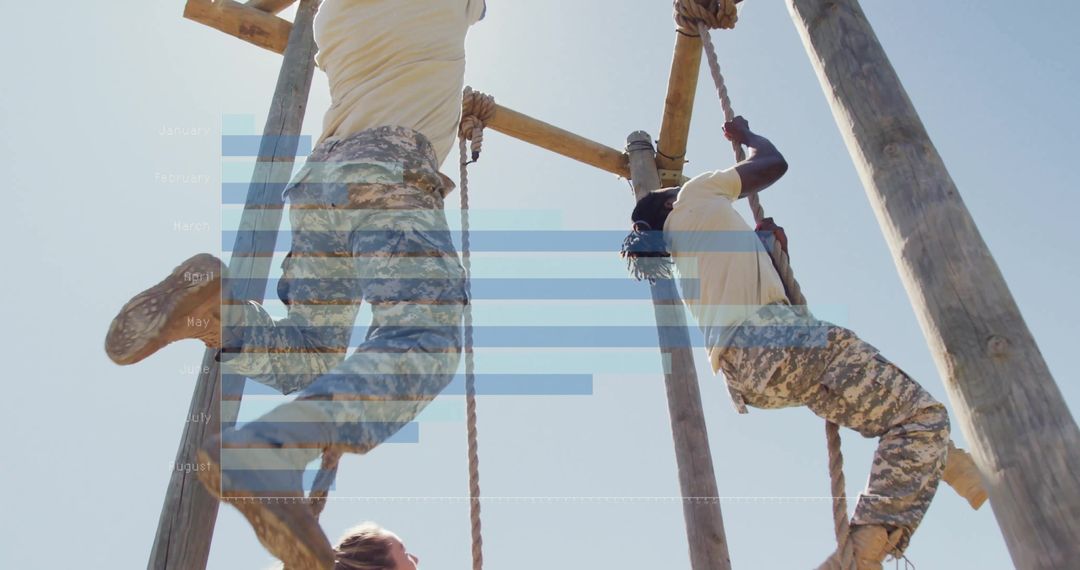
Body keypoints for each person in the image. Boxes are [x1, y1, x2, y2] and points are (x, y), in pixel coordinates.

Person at [104, 1, 486, 568]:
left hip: (321, 183)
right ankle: (270, 449)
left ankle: (219, 316)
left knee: (311, 350)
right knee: (421, 339)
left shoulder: (328, 15)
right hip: (387, 168)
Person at [620, 117, 950, 570]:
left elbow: (753, 279)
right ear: (668, 200)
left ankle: (941, 462)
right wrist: (747, 138)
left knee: (895, 411)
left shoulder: (687, 252)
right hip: (775, 341)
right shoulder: (694, 195)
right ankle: (866, 547)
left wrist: (772, 249)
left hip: (753, 376)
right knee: (922, 416)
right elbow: (774, 164)